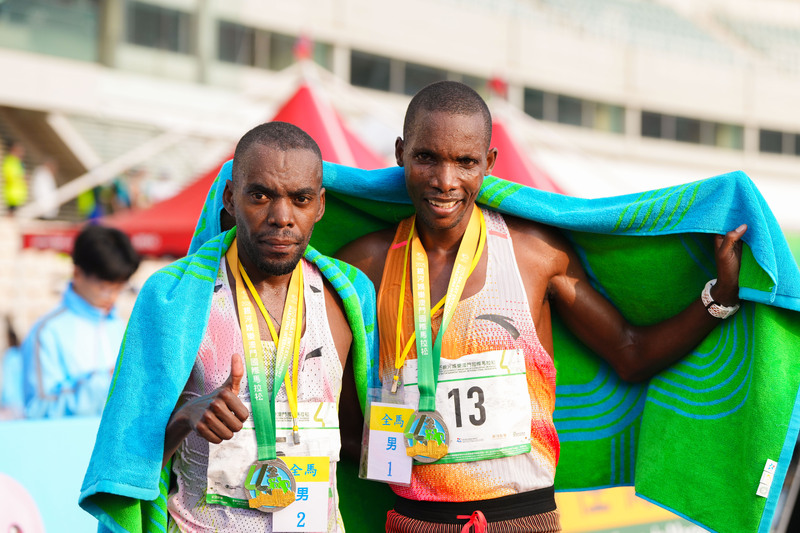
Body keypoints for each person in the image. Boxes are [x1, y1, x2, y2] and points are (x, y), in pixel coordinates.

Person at [335, 81, 747, 532]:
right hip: (415, 522)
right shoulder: (360, 268)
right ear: (400, 153)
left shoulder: (534, 256)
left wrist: (720, 298)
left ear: (489, 163)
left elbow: (630, 353)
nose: (445, 180)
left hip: (524, 521)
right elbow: (333, 412)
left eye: (465, 162)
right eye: (426, 157)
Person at [80, 122, 377, 533]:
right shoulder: (174, 297)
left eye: (300, 199)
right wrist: (185, 417)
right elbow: (126, 461)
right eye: (260, 196)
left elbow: (358, 442)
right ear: (230, 198)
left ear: (320, 205)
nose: (282, 217)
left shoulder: (348, 297)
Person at [20, 224, 140, 418]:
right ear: (77, 273)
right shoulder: (47, 332)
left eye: (119, 287)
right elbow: (37, 409)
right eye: (104, 287)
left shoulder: (123, 329)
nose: (112, 296)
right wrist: (106, 381)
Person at [2, 140, 27, 214]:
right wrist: (21, 177)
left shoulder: (18, 162)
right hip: (12, 194)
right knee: (11, 213)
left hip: (18, 194)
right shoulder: (10, 161)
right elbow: (10, 176)